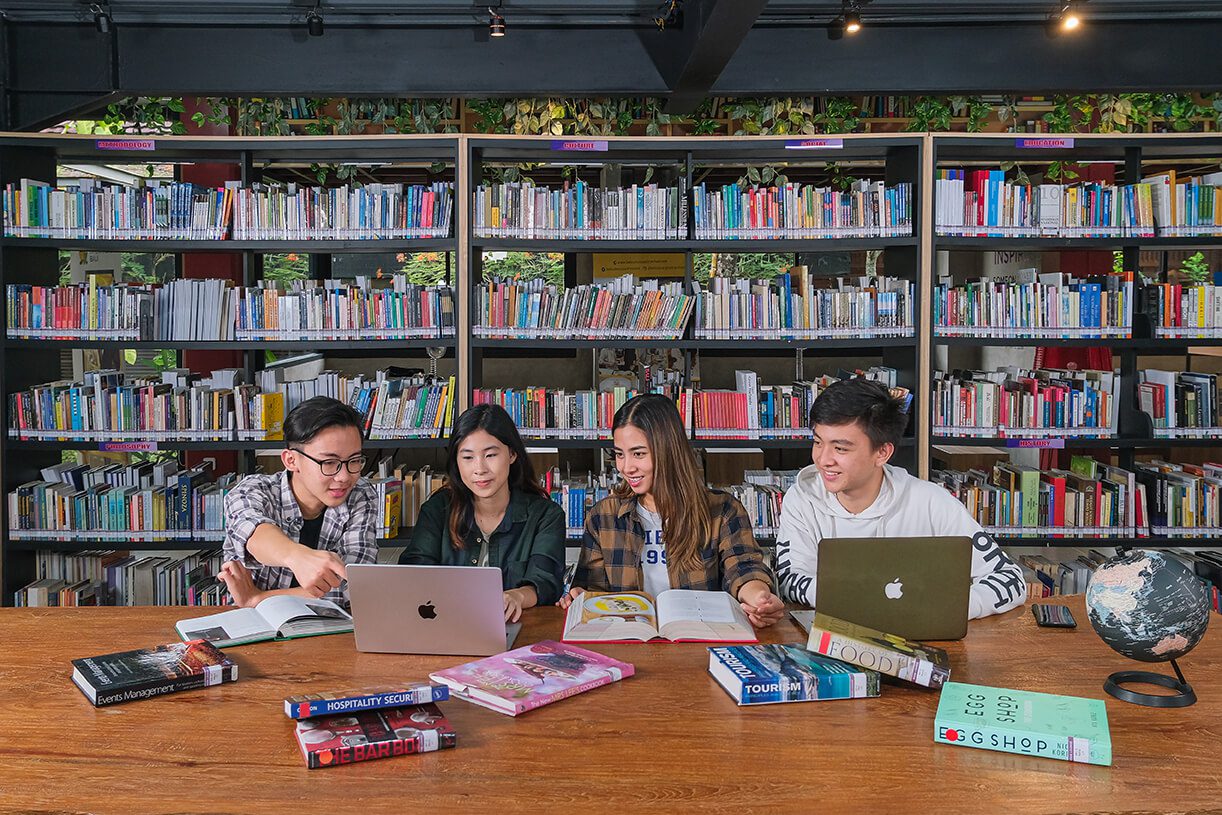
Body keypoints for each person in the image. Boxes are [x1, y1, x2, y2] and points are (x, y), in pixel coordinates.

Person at [774, 378, 1027, 620]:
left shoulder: (932, 502)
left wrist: (949, 607)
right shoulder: (801, 499)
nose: (823, 459)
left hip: (919, 644)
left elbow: (1010, 579)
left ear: (882, 452)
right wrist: (862, 598)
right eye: (818, 442)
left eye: (840, 448)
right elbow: (790, 581)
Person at [560, 393, 784, 628]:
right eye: (619, 454)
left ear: (668, 451)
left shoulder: (723, 511)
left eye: (639, 454)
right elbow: (593, 591)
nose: (626, 467)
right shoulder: (603, 517)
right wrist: (578, 596)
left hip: (697, 637)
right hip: (631, 638)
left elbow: (743, 567)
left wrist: (760, 599)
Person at [399, 403, 565, 622]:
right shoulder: (437, 510)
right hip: (447, 628)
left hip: (518, 632)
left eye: (490, 455)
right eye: (467, 457)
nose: (479, 469)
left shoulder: (545, 514)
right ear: (456, 462)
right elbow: (413, 574)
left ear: (512, 453)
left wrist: (517, 596)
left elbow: (546, 581)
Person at [219, 396, 377, 609]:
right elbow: (253, 533)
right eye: (329, 463)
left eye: (354, 461)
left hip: (329, 627)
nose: (344, 477)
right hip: (255, 626)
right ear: (291, 460)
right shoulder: (252, 490)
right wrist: (297, 557)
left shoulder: (361, 494)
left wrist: (255, 599)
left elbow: (355, 588)